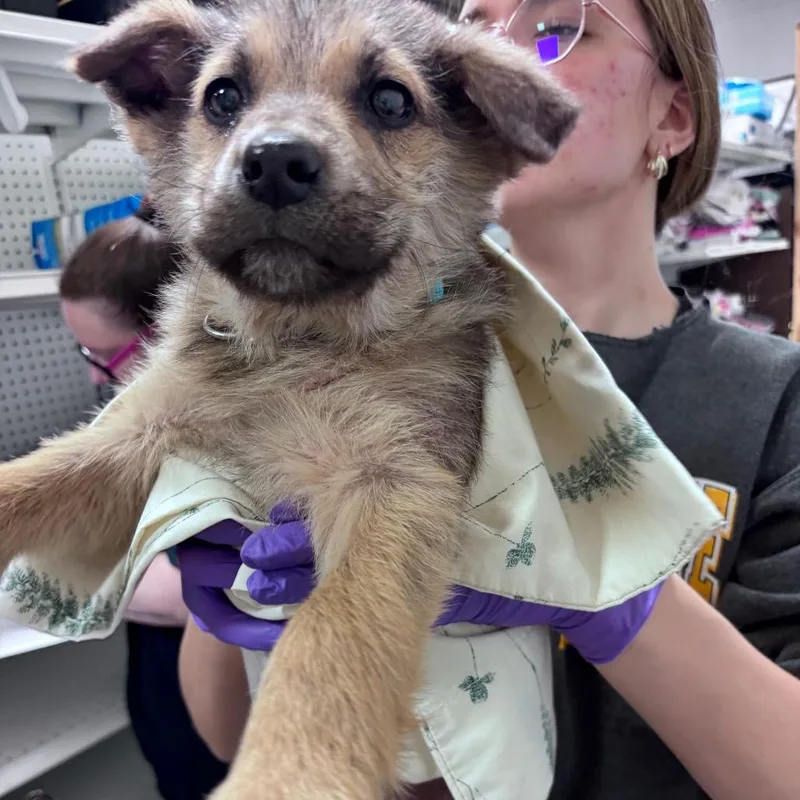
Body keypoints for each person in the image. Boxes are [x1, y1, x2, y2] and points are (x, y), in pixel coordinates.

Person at [176, 1, 800, 798]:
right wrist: (236, 569)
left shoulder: (772, 400)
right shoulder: (338, 353)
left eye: (557, 27)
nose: (482, 54)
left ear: (673, 116)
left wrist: (610, 589)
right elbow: (225, 734)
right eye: (473, 22)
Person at [59, 203, 229, 800]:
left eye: (102, 356)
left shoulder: (232, 436)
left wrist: (97, 577)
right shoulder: (146, 424)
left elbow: (210, 601)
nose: (95, 378)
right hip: (161, 680)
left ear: (169, 332)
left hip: (217, 698)